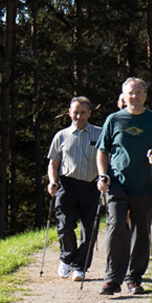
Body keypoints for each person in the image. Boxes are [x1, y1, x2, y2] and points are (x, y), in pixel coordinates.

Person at [96, 77, 152, 297]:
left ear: (145, 96)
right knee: (116, 225)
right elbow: (103, 150)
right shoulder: (114, 119)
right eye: (131, 93)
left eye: (139, 93)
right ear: (124, 96)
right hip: (117, 183)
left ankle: (134, 278)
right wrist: (103, 174)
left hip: (145, 184)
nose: (135, 97)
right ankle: (112, 279)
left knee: (141, 232)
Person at [46, 97, 101, 280]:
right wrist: (52, 181)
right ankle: (66, 258)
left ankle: (80, 266)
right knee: (64, 226)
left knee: (89, 230)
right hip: (67, 186)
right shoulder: (61, 136)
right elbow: (53, 163)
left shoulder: (99, 134)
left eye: (83, 112)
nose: (79, 116)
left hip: (91, 186)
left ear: (89, 113)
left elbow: (106, 159)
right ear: (69, 113)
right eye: (75, 112)